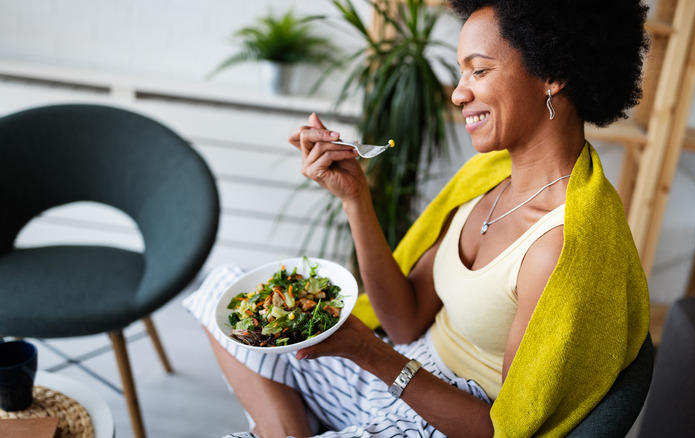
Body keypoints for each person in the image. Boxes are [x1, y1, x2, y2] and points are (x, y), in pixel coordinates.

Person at [183, 0, 651, 436]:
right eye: (460, 72)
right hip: (404, 362)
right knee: (223, 286)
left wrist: (370, 353)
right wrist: (355, 200)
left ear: (553, 73)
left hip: (445, 416)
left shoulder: (561, 246)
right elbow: (405, 320)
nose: (458, 94)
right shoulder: (487, 177)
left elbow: (499, 429)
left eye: (479, 71)